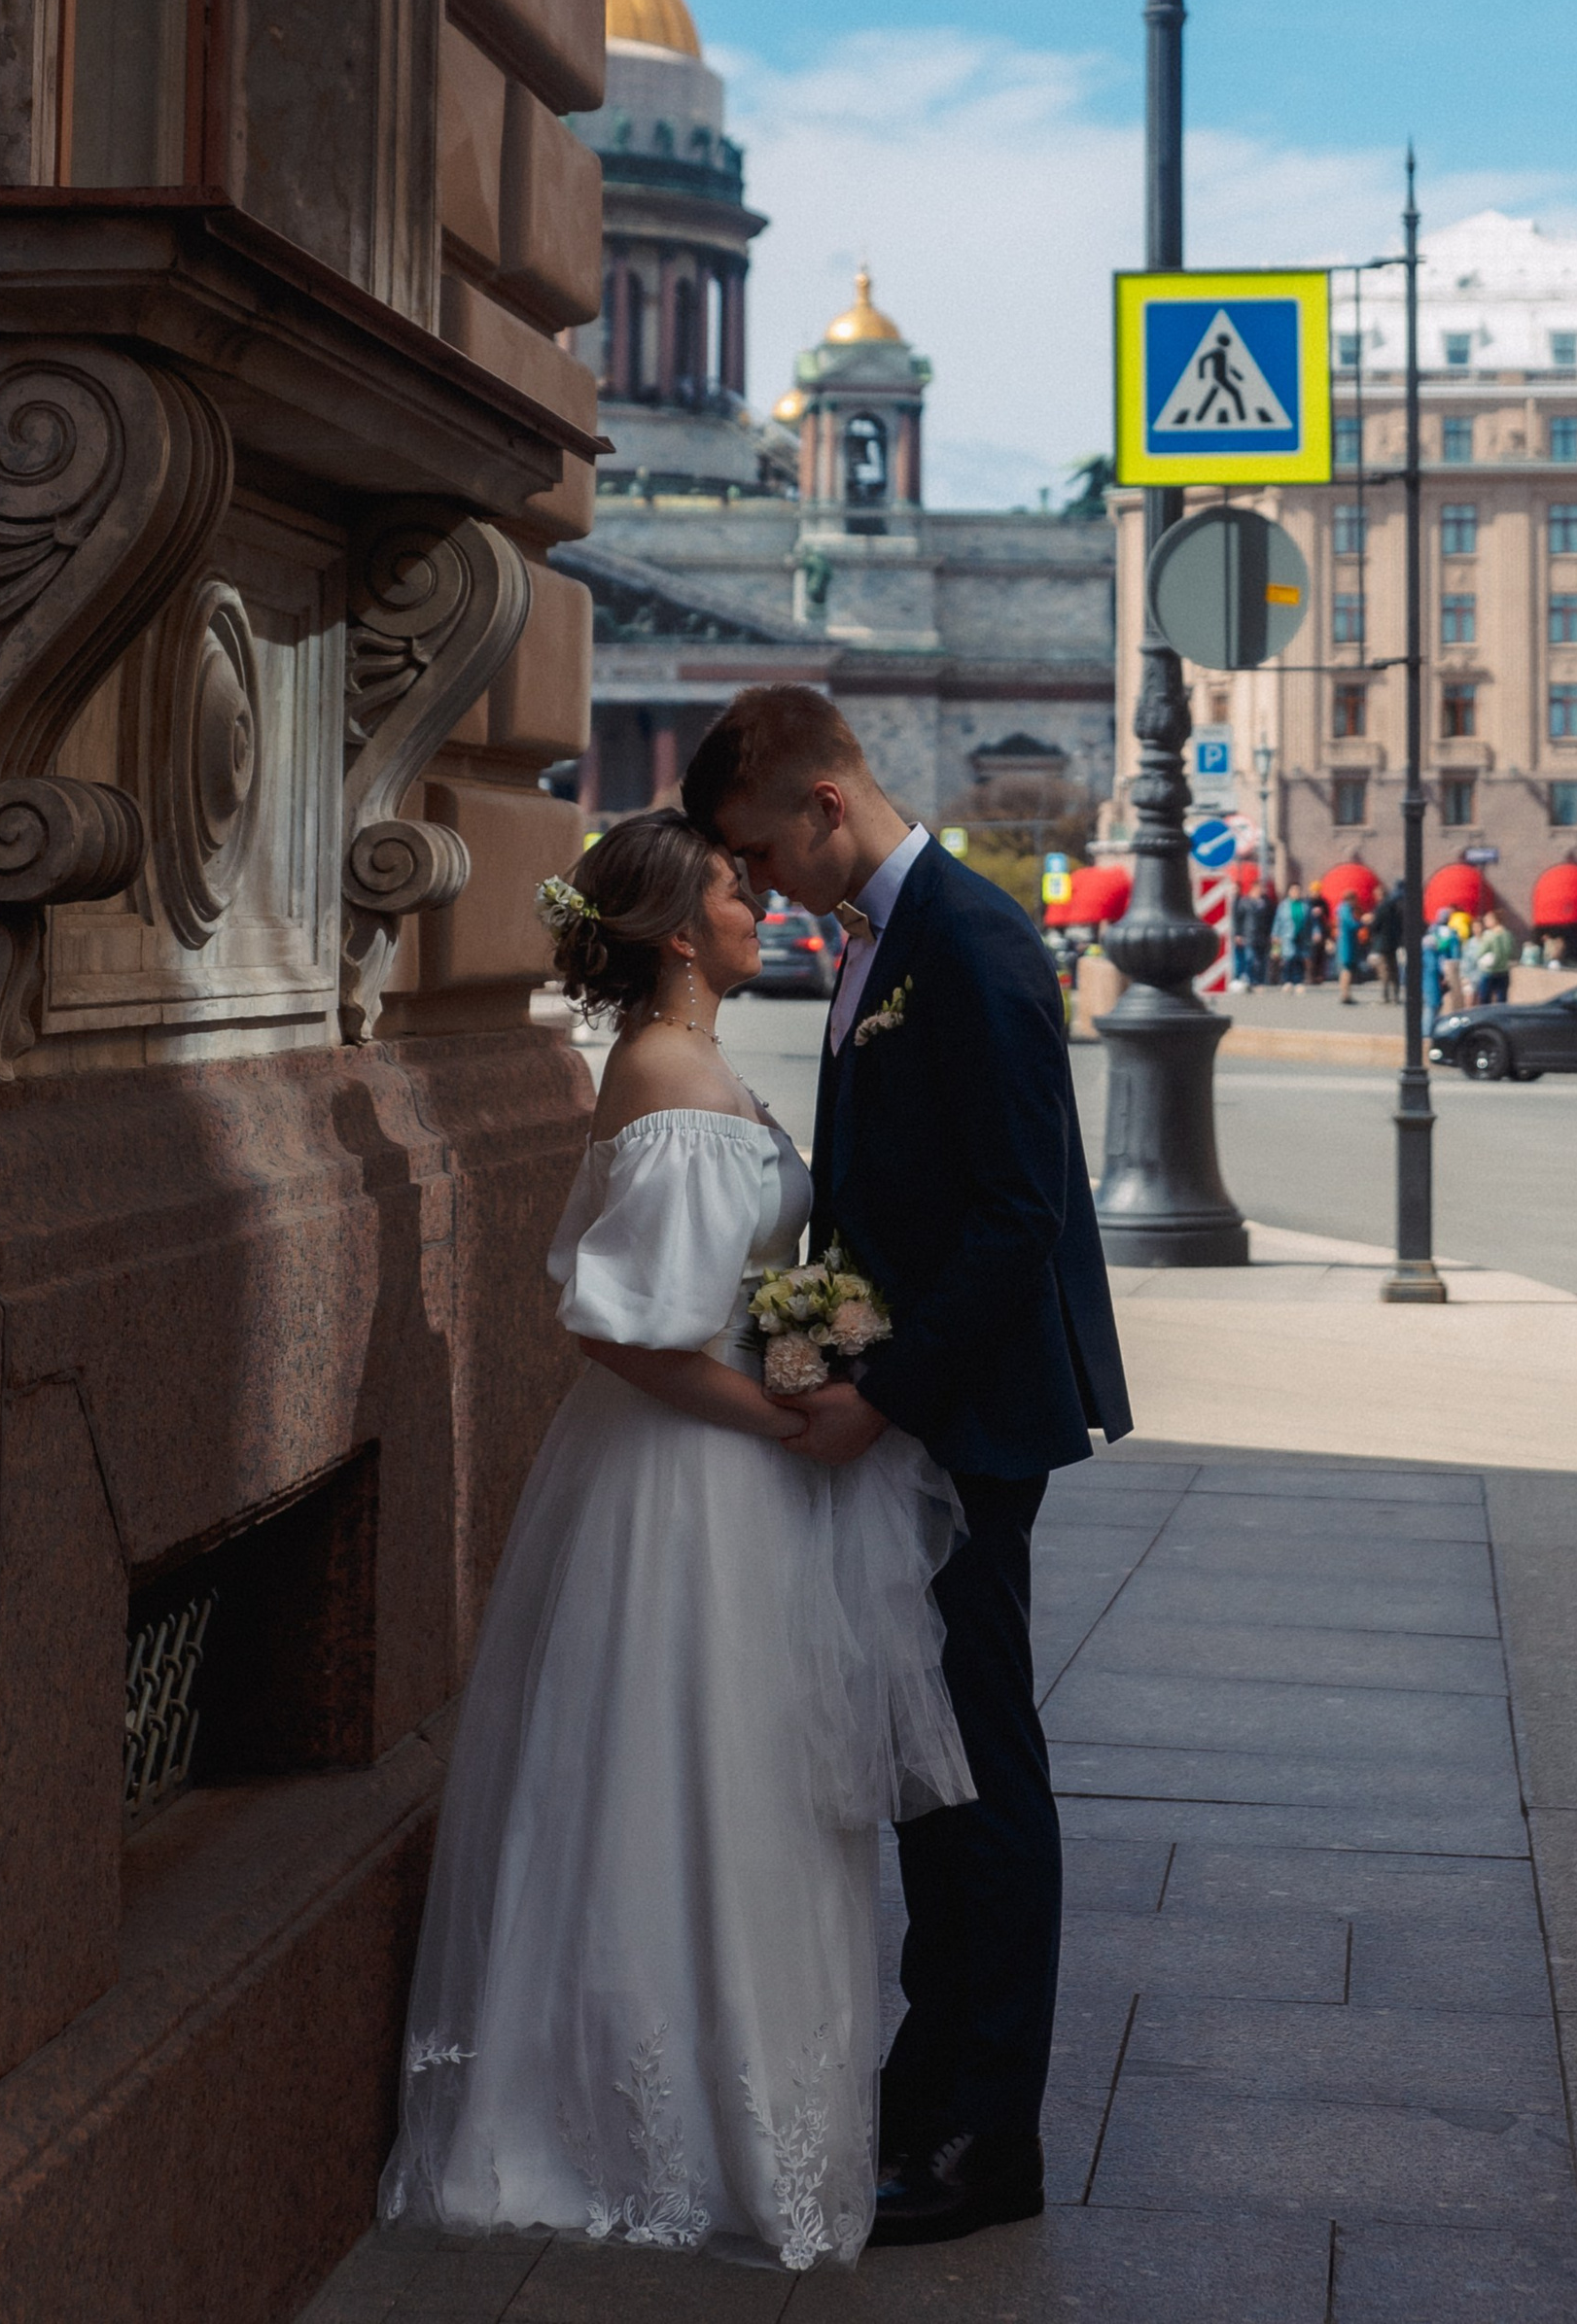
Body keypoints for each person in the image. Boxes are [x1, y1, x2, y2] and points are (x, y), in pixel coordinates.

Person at [378, 809, 972, 2272]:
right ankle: (633, 2123)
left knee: (731, 1773)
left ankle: (723, 2106)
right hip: (688, 1482)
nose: (757, 901)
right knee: (685, 1769)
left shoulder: (691, 1064)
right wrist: (792, 1414)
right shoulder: (663, 1067)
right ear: (670, 934)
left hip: (727, 1465)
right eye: (730, 888)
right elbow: (623, 1328)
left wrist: (815, 1353)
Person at [685, 685, 1130, 2251]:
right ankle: (934, 2079)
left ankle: (984, 2137)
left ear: (821, 803)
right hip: (921, 1405)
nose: (764, 886)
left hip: (970, 1421)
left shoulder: (975, 935)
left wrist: (883, 1391)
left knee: (979, 1776)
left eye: (759, 850)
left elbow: (1022, 1212)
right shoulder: (883, 933)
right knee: (931, 1771)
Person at [1370, 885, 1403, 1001]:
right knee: (1394, 968)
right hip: (1393, 942)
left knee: (1384, 969)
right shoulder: (1394, 907)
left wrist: (1370, 923)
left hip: (1382, 942)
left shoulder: (1380, 908)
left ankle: (1385, 995)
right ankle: (1396, 994)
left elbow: (1375, 925)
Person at [1335, 886, 1363, 1002]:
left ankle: (1346, 993)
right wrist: (1362, 923)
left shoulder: (1343, 909)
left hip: (1346, 942)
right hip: (1347, 943)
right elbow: (1350, 924)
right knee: (1346, 969)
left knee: (1346, 969)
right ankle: (1345, 994)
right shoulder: (1345, 909)